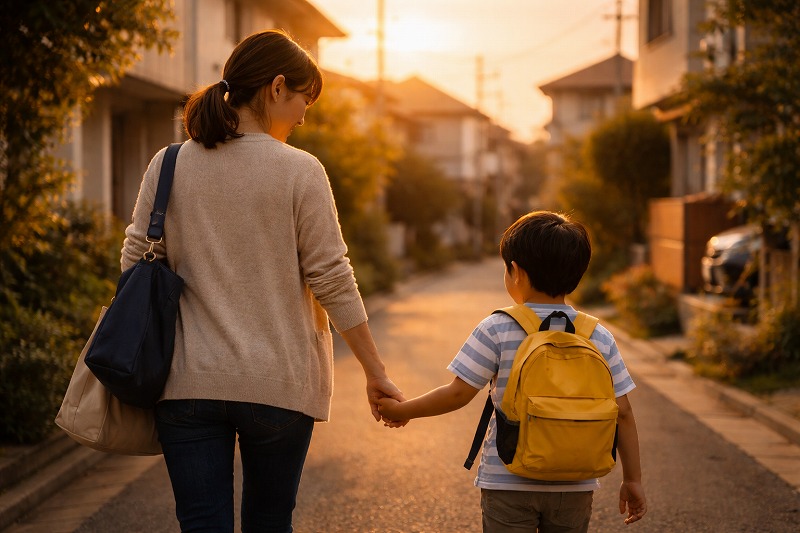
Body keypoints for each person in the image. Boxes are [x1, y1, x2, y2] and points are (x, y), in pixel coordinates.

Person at [121, 29, 403, 532]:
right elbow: (331, 276)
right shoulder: (300, 171)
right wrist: (375, 371)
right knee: (269, 523)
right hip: (280, 384)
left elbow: (135, 258)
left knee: (201, 523)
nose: (302, 116)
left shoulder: (169, 163)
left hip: (187, 385)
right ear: (276, 88)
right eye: (303, 100)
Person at [378, 211, 647, 532]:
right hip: (575, 483)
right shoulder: (597, 334)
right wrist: (632, 479)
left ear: (515, 272)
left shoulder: (498, 327)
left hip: (508, 479)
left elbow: (457, 394)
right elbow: (625, 412)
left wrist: (402, 409)